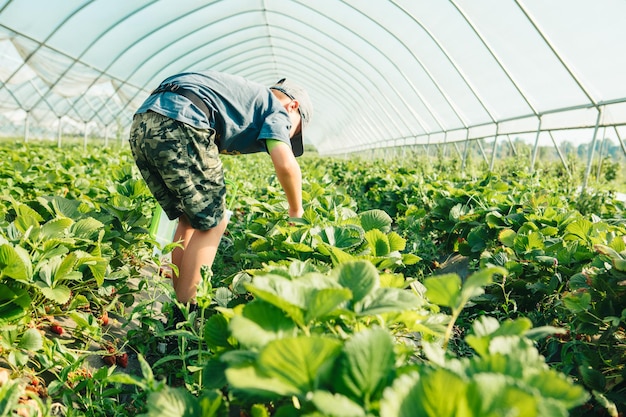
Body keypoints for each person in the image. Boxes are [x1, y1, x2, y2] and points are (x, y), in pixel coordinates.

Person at [128, 70, 312, 327]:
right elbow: (286, 164)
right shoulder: (278, 109)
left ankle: (177, 303)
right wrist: (296, 210)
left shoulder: (247, 103)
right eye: (294, 131)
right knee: (214, 222)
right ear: (294, 106)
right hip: (184, 120)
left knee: (190, 217)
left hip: (145, 120)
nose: (288, 135)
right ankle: (186, 320)